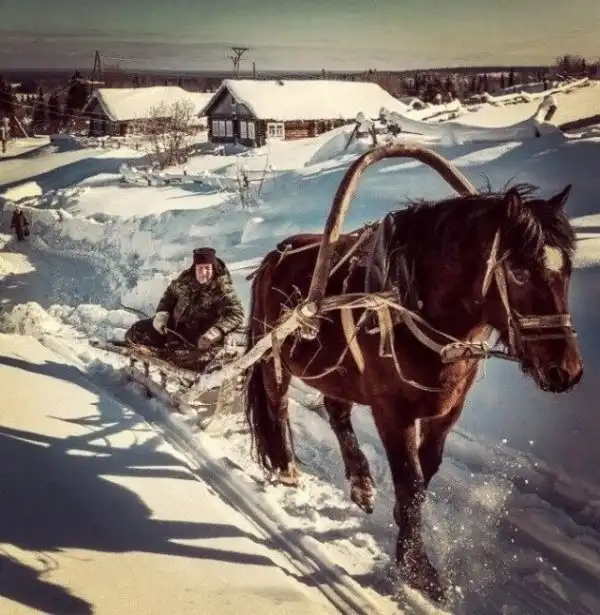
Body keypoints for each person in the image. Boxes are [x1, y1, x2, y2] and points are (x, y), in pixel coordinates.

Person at [124, 247, 245, 371]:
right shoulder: (186, 279)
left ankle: (159, 358)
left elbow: (236, 313)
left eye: (207, 268)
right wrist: (163, 314)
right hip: (171, 329)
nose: (204, 272)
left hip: (198, 340)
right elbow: (170, 293)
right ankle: (153, 353)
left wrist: (216, 332)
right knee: (135, 332)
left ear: (213, 268)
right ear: (195, 268)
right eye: (200, 268)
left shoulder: (222, 288)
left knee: (181, 359)